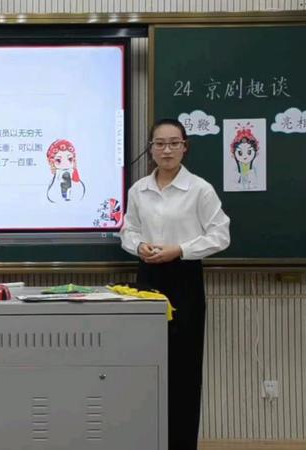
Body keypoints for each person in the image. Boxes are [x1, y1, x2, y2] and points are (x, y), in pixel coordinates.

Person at [120, 118, 231, 450]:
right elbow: (128, 230)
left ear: (185, 147)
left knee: (184, 368)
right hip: (148, 279)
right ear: (151, 149)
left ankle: (182, 443)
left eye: (173, 143)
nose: (166, 150)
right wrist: (139, 246)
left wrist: (180, 250)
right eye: (159, 143)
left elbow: (220, 235)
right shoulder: (139, 189)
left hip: (184, 278)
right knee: (147, 363)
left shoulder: (199, 189)